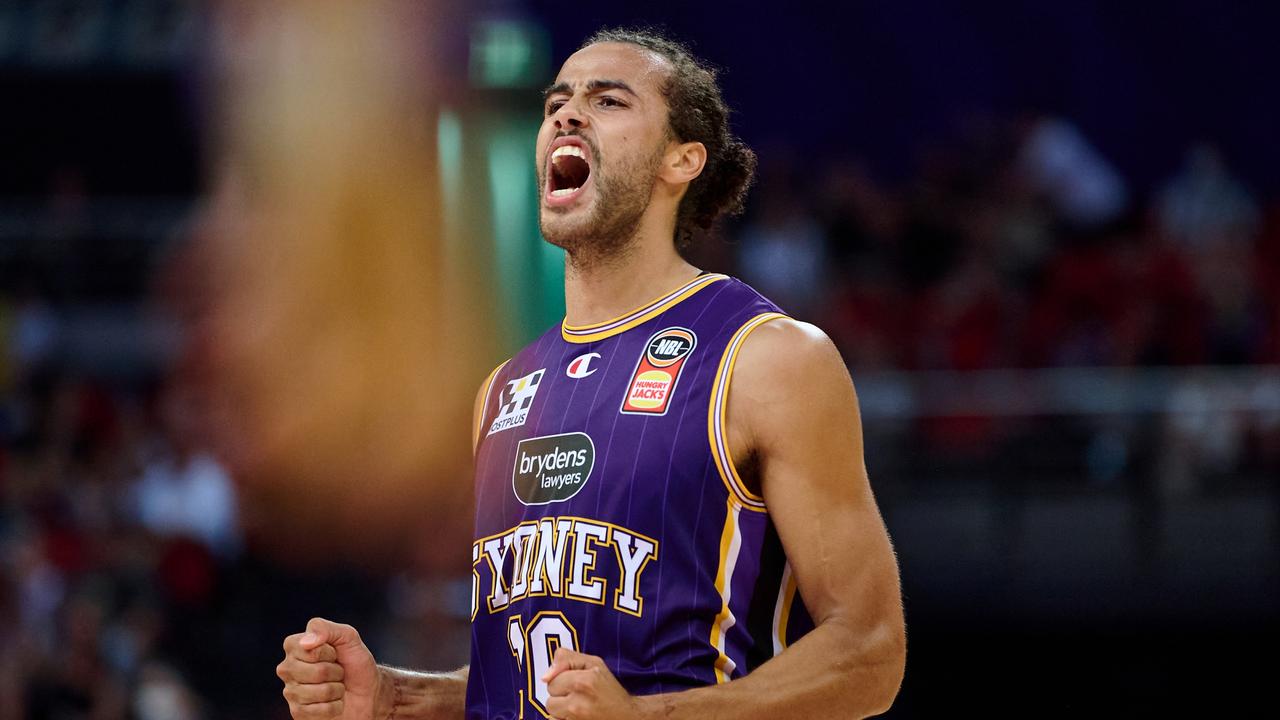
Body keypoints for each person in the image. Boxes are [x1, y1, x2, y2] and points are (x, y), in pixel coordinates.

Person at [277, 28, 905, 720]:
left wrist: (648, 718)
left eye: (608, 101)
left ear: (681, 160)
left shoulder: (767, 357)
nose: (567, 115)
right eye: (556, 104)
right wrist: (401, 697)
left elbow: (869, 651)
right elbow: (526, 679)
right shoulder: (503, 391)